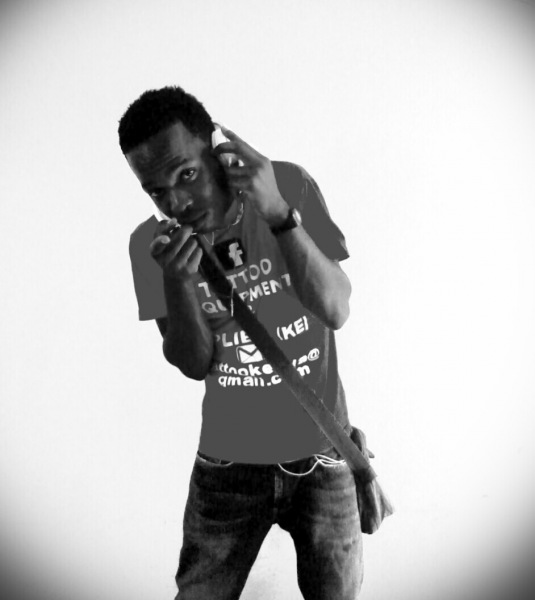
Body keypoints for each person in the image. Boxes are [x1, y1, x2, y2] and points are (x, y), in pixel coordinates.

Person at [119, 86, 363, 600]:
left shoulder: (287, 185)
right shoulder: (152, 245)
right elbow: (194, 363)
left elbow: (336, 309)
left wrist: (278, 213)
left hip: (324, 451)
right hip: (227, 465)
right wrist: (179, 283)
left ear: (217, 149)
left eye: (186, 174)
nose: (176, 202)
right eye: (156, 191)